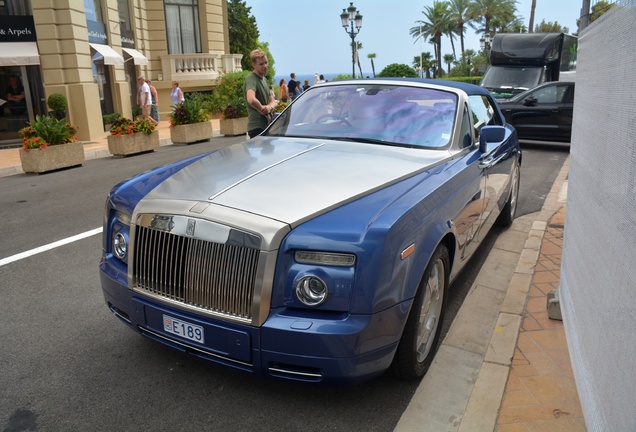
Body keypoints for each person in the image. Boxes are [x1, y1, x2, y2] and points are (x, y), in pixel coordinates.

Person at [243, 48, 277, 138]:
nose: (264, 66)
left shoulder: (265, 80)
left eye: (266, 63)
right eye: (261, 64)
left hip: (266, 126)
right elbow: (251, 99)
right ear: (253, 64)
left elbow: (272, 101)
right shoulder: (251, 78)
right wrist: (262, 109)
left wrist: (269, 107)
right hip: (256, 126)